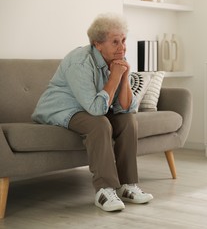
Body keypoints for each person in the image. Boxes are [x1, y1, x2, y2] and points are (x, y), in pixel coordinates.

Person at [32, 13, 153, 212]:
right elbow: (96, 111)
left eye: (123, 40)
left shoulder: (116, 60)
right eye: (115, 42)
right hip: (62, 109)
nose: (122, 47)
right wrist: (114, 77)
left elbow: (127, 108)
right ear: (98, 44)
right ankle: (104, 190)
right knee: (100, 124)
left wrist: (123, 77)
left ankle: (127, 185)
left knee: (128, 121)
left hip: (88, 108)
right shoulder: (80, 62)